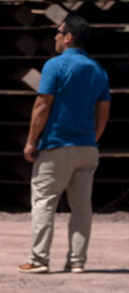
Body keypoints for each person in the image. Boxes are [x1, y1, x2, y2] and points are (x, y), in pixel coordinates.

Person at [18, 15, 111, 274]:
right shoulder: (97, 70)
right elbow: (104, 111)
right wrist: (93, 138)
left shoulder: (54, 66)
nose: (55, 36)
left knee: (44, 201)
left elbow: (42, 105)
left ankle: (39, 259)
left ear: (68, 37)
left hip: (57, 145)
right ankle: (77, 261)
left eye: (58, 32)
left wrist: (31, 141)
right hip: (87, 148)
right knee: (82, 207)